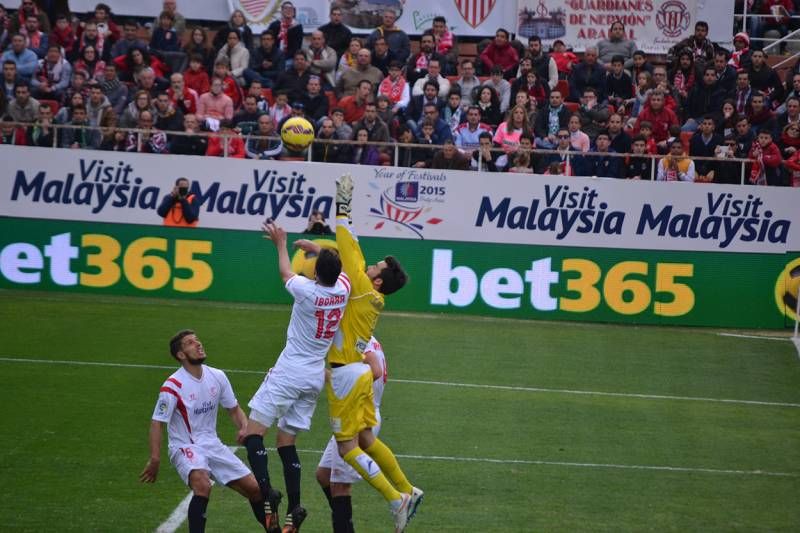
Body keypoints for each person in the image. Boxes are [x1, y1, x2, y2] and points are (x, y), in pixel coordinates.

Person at [293, 174, 422, 533]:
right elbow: (350, 255)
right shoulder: (368, 292)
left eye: (376, 267)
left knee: (348, 446)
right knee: (367, 440)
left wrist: (343, 203)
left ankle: (396, 499)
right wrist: (320, 251)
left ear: (377, 280)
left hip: (345, 374)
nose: (369, 266)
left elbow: (347, 242)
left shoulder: (363, 287)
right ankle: (409, 489)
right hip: (359, 374)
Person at [242, 219, 350, 533]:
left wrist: (281, 243)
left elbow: (286, 273)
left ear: (316, 273)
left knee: (252, 433)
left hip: (290, 371)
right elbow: (336, 269)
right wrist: (316, 249)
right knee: (286, 442)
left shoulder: (307, 291)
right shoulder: (342, 289)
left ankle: (266, 494)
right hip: (315, 375)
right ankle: (294, 506)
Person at [139, 329, 270, 533]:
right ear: (181, 355)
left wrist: (246, 429)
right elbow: (157, 422)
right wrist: (155, 459)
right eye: (190, 343)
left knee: (255, 490)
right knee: (202, 485)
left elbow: (234, 409)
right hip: (185, 446)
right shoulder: (172, 386)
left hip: (212, 444)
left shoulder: (217, 376)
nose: (198, 344)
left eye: (197, 340)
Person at [316, 335, 387, 533]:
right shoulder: (363, 336)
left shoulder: (357, 338)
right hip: (356, 414)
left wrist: (333, 377)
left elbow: (376, 370)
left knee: (340, 486)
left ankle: (398, 499)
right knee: (323, 475)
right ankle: (344, 522)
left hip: (360, 417)